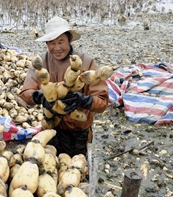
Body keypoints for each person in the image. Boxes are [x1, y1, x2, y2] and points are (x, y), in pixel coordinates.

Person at [19, 16, 109, 157]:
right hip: (51, 127)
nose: (57, 48)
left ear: (70, 39)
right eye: (51, 43)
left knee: (77, 168)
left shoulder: (86, 62)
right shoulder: (40, 63)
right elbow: (26, 93)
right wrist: (39, 97)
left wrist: (83, 100)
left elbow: (102, 102)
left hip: (79, 131)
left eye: (61, 42)